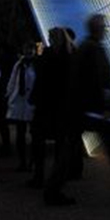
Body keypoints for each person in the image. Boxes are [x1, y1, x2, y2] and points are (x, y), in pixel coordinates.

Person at [45, 14, 110, 206]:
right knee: (95, 149)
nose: (106, 30)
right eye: (104, 27)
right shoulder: (93, 49)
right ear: (98, 29)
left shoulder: (85, 47)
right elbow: (98, 80)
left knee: (81, 148)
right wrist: (104, 107)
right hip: (92, 111)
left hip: (84, 109)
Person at [28, 28, 75, 190]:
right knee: (60, 143)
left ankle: (39, 176)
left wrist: (38, 43)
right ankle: (57, 177)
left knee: (38, 141)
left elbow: (37, 65)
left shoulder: (46, 53)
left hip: (45, 105)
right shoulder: (68, 55)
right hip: (60, 105)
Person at [6, 41, 37, 171]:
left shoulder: (37, 65)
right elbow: (12, 81)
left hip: (32, 103)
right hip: (20, 102)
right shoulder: (18, 65)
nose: (28, 52)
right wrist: (8, 96)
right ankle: (23, 161)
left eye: (30, 49)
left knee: (34, 134)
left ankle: (32, 161)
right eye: (26, 49)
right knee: (20, 134)